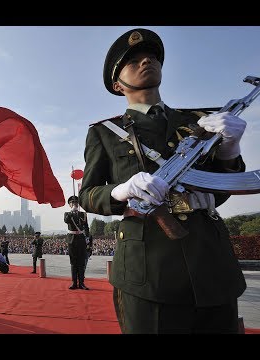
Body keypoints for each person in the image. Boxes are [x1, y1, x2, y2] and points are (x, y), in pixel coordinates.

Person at [79, 28, 247, 334]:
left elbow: (222, 190)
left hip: (210, 262)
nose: (146, 61)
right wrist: (122, 189)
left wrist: (229, 148)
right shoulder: (104, 132)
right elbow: (88, 195)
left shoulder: (199, 122)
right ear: (118, 84)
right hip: (149, 270)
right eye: (133, 61)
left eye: (152, 56)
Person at [64, 195, 91, 290]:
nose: (74, 204)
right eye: (72, 203)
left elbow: (87, 227)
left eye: (75, 202)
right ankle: (74, 283)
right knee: (73, 262)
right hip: (72, 240)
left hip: (81, 240)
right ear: (69, 205)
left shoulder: (83, 214)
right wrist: (72, 212)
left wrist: (87, 238)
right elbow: (66, 220)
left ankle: (82, 283)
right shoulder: (67, 214)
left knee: (81, 262)